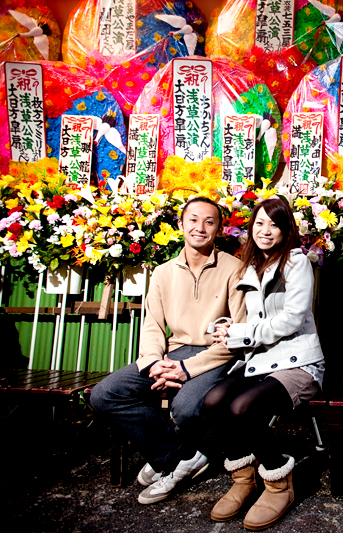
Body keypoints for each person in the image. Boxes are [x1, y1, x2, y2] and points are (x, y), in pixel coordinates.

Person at [90, 197, 246, 504]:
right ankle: (178, 458)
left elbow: (236, 337)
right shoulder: (162, 273)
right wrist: (152, 363)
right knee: (105, 394)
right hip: (172, 353)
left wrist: (186, 369)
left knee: (186, 409)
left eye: (209, 222)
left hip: (214, 356)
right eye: (193, 220)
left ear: (219, 229)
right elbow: (152, 325)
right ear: (181, 224)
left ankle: (172, 462)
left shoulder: (234, 269)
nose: (200, 228)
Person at [204, 197, 324, 530]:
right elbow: (248, 317)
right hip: (259, 360)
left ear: (287, 231)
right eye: (259, 223)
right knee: (214, 402)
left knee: (242, 408)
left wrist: (241, 333)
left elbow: (291, 319)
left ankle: (278, 482)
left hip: (298, 363)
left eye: (274, 224)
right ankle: (243, 479)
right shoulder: (249, 265)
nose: (265, 231)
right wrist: (226, 327)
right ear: (251, 228)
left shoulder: (297, 264)